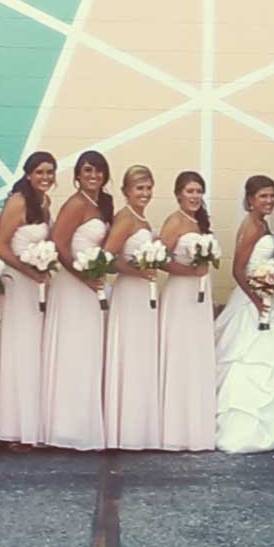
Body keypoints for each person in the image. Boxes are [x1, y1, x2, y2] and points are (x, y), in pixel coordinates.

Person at [214, 176, 274, 453]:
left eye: (271, 196)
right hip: (253, 302)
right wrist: (257, 300)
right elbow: (238, 269)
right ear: (250, 199)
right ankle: (243, 428)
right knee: (248, 359)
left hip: (269, 298)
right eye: (262, 196)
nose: (268, 201)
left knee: (273, 357)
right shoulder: (252, 226)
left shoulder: (263, 224)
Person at [41, 150, 111, 451]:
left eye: (98, 171)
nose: (93, 176)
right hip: (73, 285)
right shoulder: (75, 204)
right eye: (87, 170)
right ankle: (64, 428)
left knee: (88, 352)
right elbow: (58, 244)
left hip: (92, 283)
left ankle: (84, 424)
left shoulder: (104, 203)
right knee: (71, 352)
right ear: (78, 176)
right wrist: (83, 277)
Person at [0, 152, 56, 451]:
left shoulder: (45, 203)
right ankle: (11, 428)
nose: (45, 177)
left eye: (50, 172)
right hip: (18, 283)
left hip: (35, 284)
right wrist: (29, 270)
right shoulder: (18, 201)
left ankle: (30, 423)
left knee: (32, 352)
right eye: (40, 172)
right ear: (29, 174)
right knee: (18, 350)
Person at [103, 165, 163, 451]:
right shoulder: (125, 219)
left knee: (142, 357)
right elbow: (108, 258)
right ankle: (123, 430)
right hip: (130, 293)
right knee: (129, 355)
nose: (145, 193)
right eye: (139, 188)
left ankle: (139, 427)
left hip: (144, 294)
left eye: (149, 187)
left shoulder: (142, 218)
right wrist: (137, 271)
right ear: (126, 191)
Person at [158, 171, 218, 452]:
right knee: (180, 356)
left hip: (199, 297)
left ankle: (197, 425)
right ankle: (175, 428)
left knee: (196, 356)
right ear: (178, 194)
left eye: (198, 191)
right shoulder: (175, 221)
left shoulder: (200, 221)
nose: (195, 196)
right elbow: (159, 259)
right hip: (181, 294)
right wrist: (191, 271)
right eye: (190, 191)